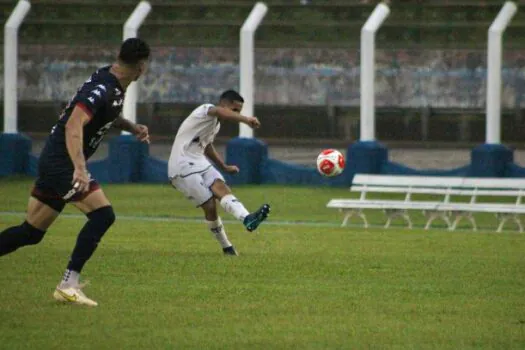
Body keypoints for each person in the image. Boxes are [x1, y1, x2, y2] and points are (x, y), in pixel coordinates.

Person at [0, 38, 151, 307]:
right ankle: (68, 285)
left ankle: (67, 285)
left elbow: (105, 114)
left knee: (31, 233)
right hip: (63, 165)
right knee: (103, 215)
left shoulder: (112, 82)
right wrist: (80, 169)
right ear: (142, 66)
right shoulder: (104, 87)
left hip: (55, 161)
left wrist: (132, 126)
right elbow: (73, 124)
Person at [168, 90, 270, 256]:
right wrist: (246, 120)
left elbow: (206, 145)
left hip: (199, 161)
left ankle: (247, 218)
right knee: (210, 205)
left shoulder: (215, 124)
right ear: (224, 104)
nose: (236, 114)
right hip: (181, 164)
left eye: (239, 111)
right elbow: (219, 111)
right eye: (234, 109)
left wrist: (223, 166)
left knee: (221, 187)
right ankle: (227, 247)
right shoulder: (206, 109)